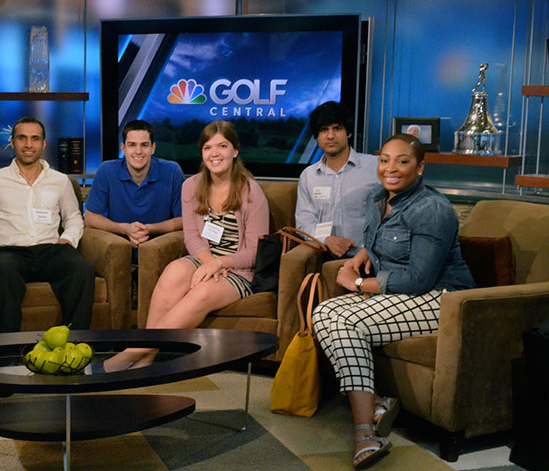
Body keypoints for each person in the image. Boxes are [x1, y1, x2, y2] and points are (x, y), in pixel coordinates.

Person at [311, 134, 475, 469]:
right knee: (324, 311)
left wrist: (357, 283)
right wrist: (361, 256)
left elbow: (418, 279)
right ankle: (376, 402)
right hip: (403, 294)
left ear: (420, 167)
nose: (391, 168)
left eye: (403, 161)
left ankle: (364, 432)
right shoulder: (377, 198)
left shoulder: (433, 209)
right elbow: (381, 239)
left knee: (343, 319)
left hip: (441, 299)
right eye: (385, 159)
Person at [106, 120, 269, 370]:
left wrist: (219, 263)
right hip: (204, 259)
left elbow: (255, 252)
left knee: (202, 291)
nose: (214, 153)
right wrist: (207, 262)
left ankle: (132, 353)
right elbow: (191, 236)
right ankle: (148, 356)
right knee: (173, 271)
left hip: (236, 270)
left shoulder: (251, 192)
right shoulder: (191, 186)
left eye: (222, 146)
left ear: (235, 151)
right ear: (202, 153)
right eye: (207, 148)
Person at [0, 116, 95, 333]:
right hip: (10, 253)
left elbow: (74, 218)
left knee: (82, 269)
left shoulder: (60, 181)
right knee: (4, 272)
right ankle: (7, 352)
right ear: (13, 142)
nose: (29, 145)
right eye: (22, 138)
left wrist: (68, 238)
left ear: (43, 143)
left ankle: (76, 344)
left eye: (35, 139)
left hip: (51, 250)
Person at [296, 102, 379, 258]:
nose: (330, 136)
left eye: (337, 128)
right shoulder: (308, 176)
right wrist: (327, 240)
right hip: (324, 256)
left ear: (348, 132)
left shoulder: (375, 167)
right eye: (324, 130)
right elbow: (304, 223)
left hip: (369, 258)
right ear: (316, 137)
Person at [84, 119, 183, 248]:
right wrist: (125, 229)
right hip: (118, 248)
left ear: (153, 148)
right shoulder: (106, 171)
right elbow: (90, 218)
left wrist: (149, 229)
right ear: (123, 148)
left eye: (144, 145)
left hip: (161, 249)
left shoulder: (172, 171)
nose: (138, 151)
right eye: (132, 145)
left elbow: (185, 220)